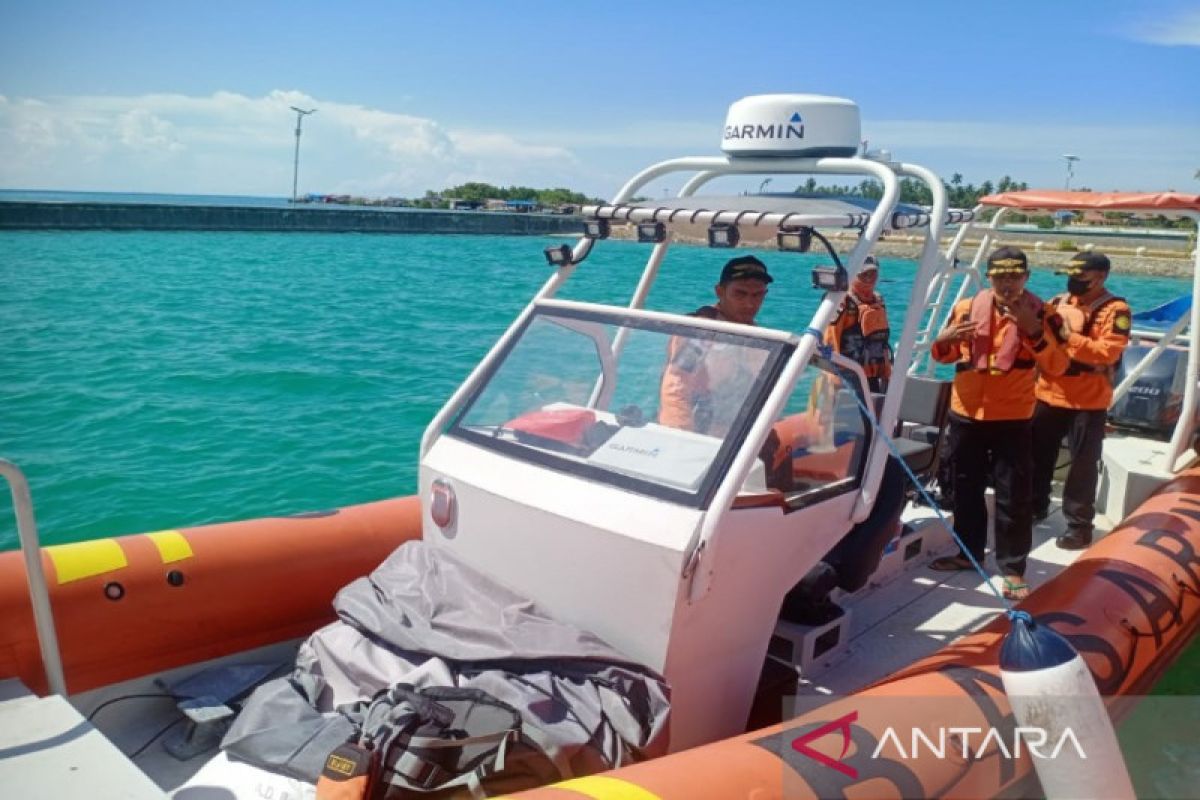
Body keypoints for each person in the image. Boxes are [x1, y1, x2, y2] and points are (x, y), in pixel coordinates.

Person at [927, 246, 1067, 600]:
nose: (1007, 283)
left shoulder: (1045, 314)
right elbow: (944, 355)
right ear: (988, 277)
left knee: (1013, 495)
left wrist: (1032, 330)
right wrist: (941, 342)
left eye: (1014, 276)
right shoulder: (965, 308)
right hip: (966, 413)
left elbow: (1058, 366)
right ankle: (967, 553)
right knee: (963, 487)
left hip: (1013, 417)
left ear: (1026, 277)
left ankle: (1013, 568)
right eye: (1000, 276)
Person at [1032, 252, 1131, 550]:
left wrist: (1067, 338)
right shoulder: (1058, 302)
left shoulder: (1116, 310)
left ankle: (1079, 527)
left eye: (1081, 277)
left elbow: (1107, 353)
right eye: (1071, 275)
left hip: (1087, 401)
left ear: (1100, 277)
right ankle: (1034, 506)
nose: (1073, 282)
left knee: (1083, 466)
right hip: (1047, 393)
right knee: (1035, 456)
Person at [658, 255, 771, 435]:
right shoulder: (701, 332)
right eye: (740, 294)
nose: (749, 303)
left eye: (757, 295)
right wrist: (680, 437)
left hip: (737, 429)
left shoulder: (758, 336)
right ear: (720, 292)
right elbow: (676, 388)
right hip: (699, 430)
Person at [824, 255, 893, 392]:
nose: (869, 278)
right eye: (864, 274)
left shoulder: (878, 301)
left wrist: (886, 370)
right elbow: (829, 340)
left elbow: (882, 341)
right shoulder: (843, 302)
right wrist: (833, 375)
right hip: (848, 377)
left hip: (873, 377)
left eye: (873, 273)